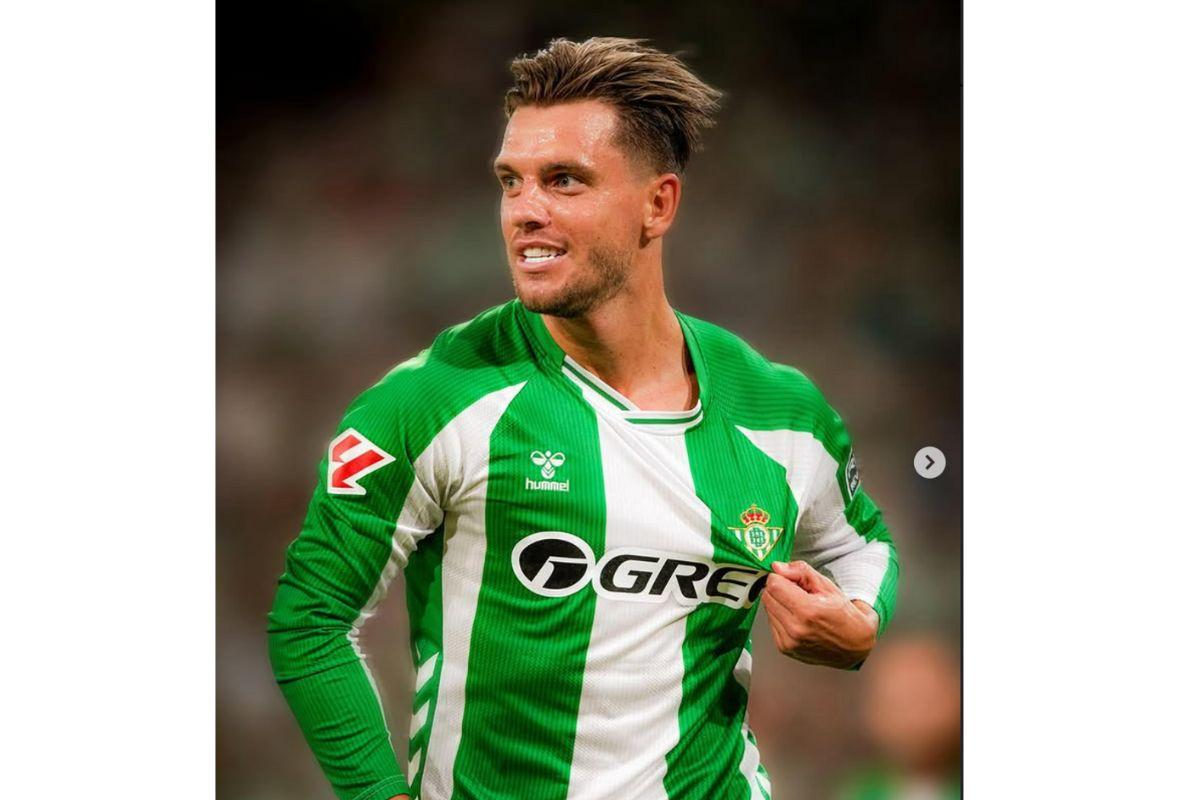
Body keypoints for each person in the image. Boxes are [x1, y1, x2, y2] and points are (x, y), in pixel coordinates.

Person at [268, 36, 899, 800]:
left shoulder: (784, 415)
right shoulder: (437, 399)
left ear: (657, 204)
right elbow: (310, 621)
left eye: (564, 180)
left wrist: (859, 623)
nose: (524, 212)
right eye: (512, 182)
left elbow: (862, 542)